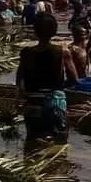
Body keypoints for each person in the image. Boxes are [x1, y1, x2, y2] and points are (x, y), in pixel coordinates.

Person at [16, 12, 77, 145]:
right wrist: (62, 87)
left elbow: (19, 81)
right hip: (55, 104)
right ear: (54, 31)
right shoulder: (62, 52)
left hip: (32, 103)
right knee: (60, 143)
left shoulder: (26, 53)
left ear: (35, 31)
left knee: (31, 141)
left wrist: (19, 98)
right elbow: (74, 79)